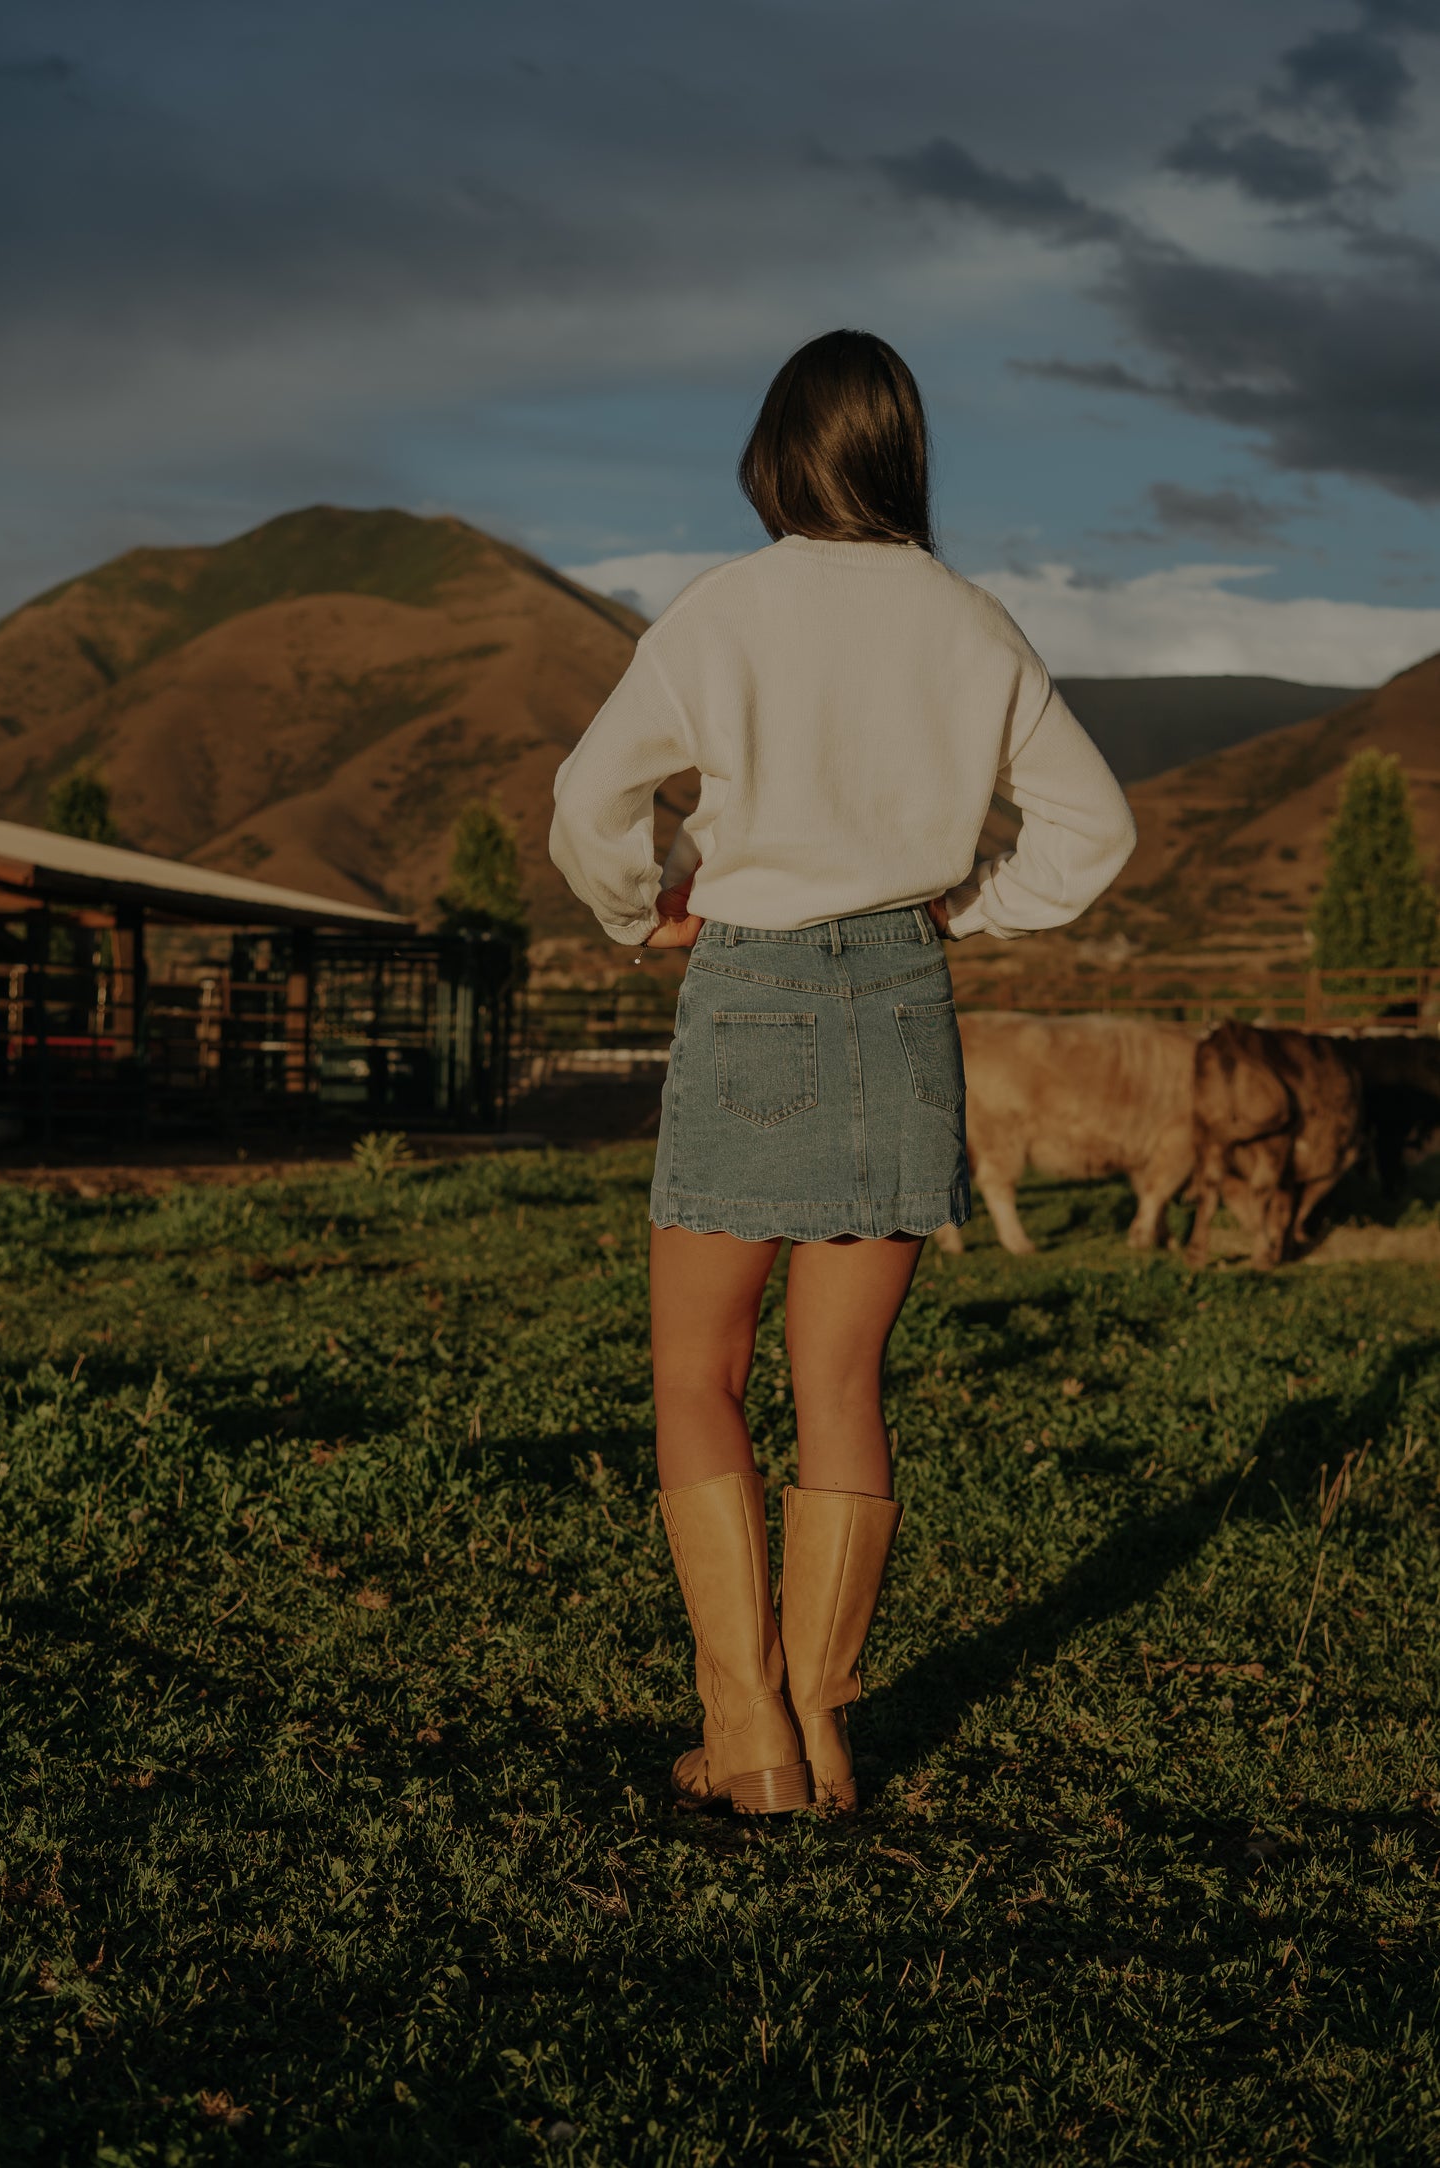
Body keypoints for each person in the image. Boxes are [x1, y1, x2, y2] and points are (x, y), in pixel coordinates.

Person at [549, 328, 1136, 1815]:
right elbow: (1094, 830)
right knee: (842, 1379)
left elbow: (589, 795)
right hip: (901, 999)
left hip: (748, 982)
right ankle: (821, 1734)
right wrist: (971, 909)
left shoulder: (724, 609)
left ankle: (745, 1731)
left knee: (696, 1372)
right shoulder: (970, 622)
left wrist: (638, 911)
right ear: (901, 451)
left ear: (775, 454)